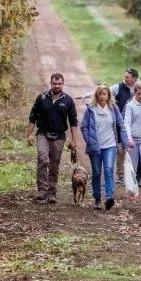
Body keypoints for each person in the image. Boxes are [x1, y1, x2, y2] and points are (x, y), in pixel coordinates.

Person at [27, 73, 81, 205]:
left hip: (59, 136)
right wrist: (29, 134)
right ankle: (42, 191)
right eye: (54, 83)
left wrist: (74, 140)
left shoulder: (68, 100)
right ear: (50, 83)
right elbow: (32, 117)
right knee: (42, 158)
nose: (57, 86)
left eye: (59, 84)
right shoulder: (42, 98)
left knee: (54, 164)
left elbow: (73, 121)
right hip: (42, 134)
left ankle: (52, 192)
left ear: (63, 84)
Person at [80, 84, 131, 211]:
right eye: (100, 94)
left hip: (110, 144)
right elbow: (84, 127)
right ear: (96, 96)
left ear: (108, 95)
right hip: (95, 146)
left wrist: (125, 143)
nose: (102, 97)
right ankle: (97, 198)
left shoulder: (113, 108)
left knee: (108, 170)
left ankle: (109, 197)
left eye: (105, 94)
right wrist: (89, 141)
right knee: (97, 172)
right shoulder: (91, 109)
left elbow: (121, 125)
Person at [122, 81, 141, 200]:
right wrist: (129, 139)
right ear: (134, 92)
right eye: (138, 94)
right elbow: (127, 123)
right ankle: (132, 189)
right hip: (133, 139)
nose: (140, 96)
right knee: (133, 166)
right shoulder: (130, 105)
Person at [109, 68, 139, 187]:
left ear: (134, 79)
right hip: (121, 123)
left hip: (135, 123)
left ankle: (134, 174)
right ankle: (121, 175)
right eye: (125, 76)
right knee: (121, 149)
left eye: (127, 77)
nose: (125, 79)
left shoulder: (139, 88)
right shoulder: (118, 87)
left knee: (134, 150)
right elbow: (103, 92)